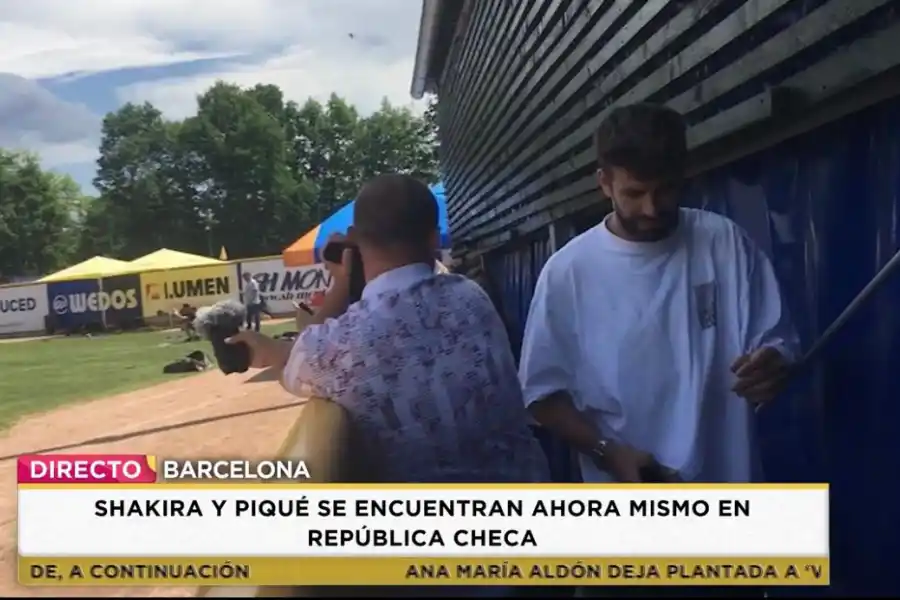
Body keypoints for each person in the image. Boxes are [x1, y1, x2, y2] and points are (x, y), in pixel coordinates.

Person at [518, 103, 799, 596]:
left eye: (665, 189)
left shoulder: (723, 242)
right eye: (634, 193)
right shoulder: (569, 273)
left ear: (684, 175)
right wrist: (609, 452)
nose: (651, 208)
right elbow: (541, 396)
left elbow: (776, 340)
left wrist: (773, 364)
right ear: (604, 183)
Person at [229, 173, 549, 484]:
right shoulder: (470, 296)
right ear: (434, 239)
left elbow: (300, 350)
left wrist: (341, 282)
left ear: (354, 238)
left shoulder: (344, 342)